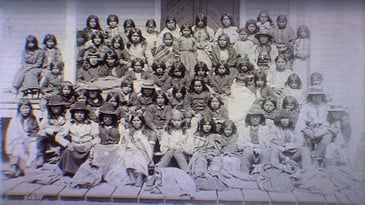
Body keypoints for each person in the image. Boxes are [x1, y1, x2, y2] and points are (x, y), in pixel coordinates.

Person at [56, 102, 100, 176]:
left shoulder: (92, 124)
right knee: (67, 151)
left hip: (86, 147)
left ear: (85, 114)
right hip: (74, 147)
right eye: (77, 113)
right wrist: (67, 144)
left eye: (81, 113)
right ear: (73, 114)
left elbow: (97, 138)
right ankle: (70, 172)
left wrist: (91, 143)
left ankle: (86, 171)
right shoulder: (69, 124)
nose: (79, 115)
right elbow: (58, 137)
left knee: (93, 156)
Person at [5, 98, 40, 177]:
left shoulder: (33, 119)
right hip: (19, 140)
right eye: (23, 108)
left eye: (27, 108)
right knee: (18, 147)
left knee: (34, 149)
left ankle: (27, 167)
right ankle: (14, 167)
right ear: (19, 109)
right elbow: (11, 133)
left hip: (31, 140)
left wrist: (29, 139)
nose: (25, 110)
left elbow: (36, 132)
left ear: (30, 109)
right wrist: (22, 138)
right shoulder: (15, 120)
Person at [123, 113, 156, 186]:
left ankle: (140, 177)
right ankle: (132, 177)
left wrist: (149, 159)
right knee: (128, 154)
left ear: (142, 121)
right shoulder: (129, 132)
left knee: (138, 156)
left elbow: (150, 148)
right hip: (131, 152)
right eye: (134, 120)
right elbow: (126, 144)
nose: (136, 122)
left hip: (145, 153)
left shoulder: (149, 132)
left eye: (138, 120)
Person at [237, 105, 271, 174]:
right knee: (247, 151)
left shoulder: (265, 129)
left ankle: (263, 174)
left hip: (262, 151)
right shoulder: (244, 129)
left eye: (257, 117)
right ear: (249, 118)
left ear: (260, 118)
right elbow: (239, 145)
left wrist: (258, 147)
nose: (255, 119)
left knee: (265, 153)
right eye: (253, 117)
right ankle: (244, 174)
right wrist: (250, 146)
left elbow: (268, 145)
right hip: (249, 152)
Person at [37, 95, 69, 166]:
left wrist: (60, 132)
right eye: (53, 106)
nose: (55, 108)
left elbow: (67, 125)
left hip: (62, 135)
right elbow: (42, 126)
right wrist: (53, 129)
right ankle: (40, 156)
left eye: (58, 106)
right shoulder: (47, 114)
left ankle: (63, 156)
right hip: (51, 134)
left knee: (68, 135)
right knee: (41, 133)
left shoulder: (66, 114)